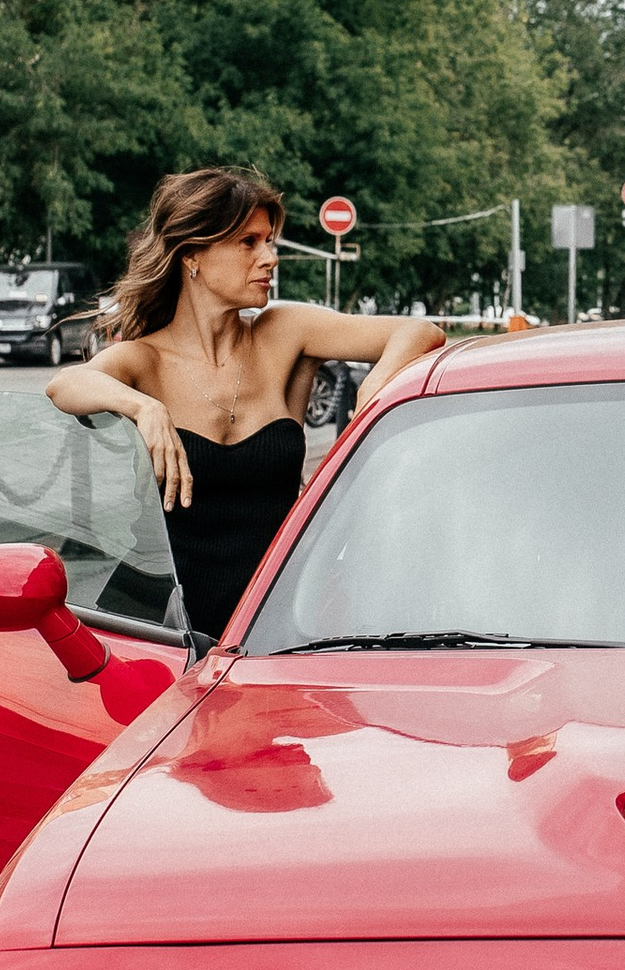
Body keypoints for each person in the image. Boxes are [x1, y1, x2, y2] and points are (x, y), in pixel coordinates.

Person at [47, 166, 444, 643]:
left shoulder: (283, 332)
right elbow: (66, 387)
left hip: (268, 626)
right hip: (155, 627)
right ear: (193, 255)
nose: (270, 258)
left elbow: (421, 332)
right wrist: (144, 408)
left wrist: (377, 381)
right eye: (249, 242)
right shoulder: (143, 360)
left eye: (270, 241)